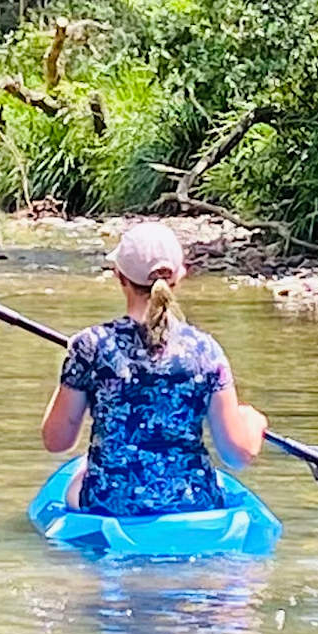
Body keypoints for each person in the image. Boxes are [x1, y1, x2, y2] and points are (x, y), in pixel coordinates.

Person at [41, 220, 269, 516]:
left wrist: (73, 367)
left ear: (119, 276)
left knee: (77, 477)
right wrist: (253, 423)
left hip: (111, 503)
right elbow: (236, 455)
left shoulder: (90, 345)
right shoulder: (206, 350)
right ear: (180, 275)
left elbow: (56, 441)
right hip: (192, 502)